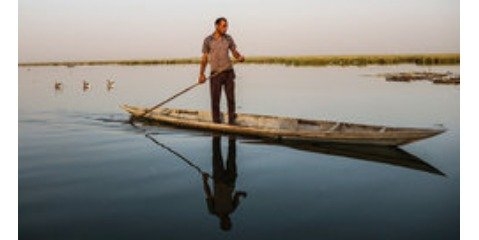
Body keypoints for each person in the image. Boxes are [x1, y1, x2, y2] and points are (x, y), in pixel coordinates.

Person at [198, 17, 245, 124]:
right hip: (215, 74)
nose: (226, 28)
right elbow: (204, 58)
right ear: (217, 26)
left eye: (227, 26)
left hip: (228, 72)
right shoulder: (208, 40)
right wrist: (201, 74)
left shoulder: (228, 38)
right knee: (215, 101)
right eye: (224, 26)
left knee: (231, 99)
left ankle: (231, 122)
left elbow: (234, 52)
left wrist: (239, 57)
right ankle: (216, 123)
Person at [202, 135, 247, 231]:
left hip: (218, 179)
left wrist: (205, 180)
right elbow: (236, 195)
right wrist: (242, 194)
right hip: (230, 179)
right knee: (232, 155)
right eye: (229, 222)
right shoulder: (232, 210)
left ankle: (216, 131)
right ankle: (231, 135)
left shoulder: (213, 210)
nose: (229, 220)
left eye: (227, 223)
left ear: (221, 223)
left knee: (216, 153)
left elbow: (208, 194)